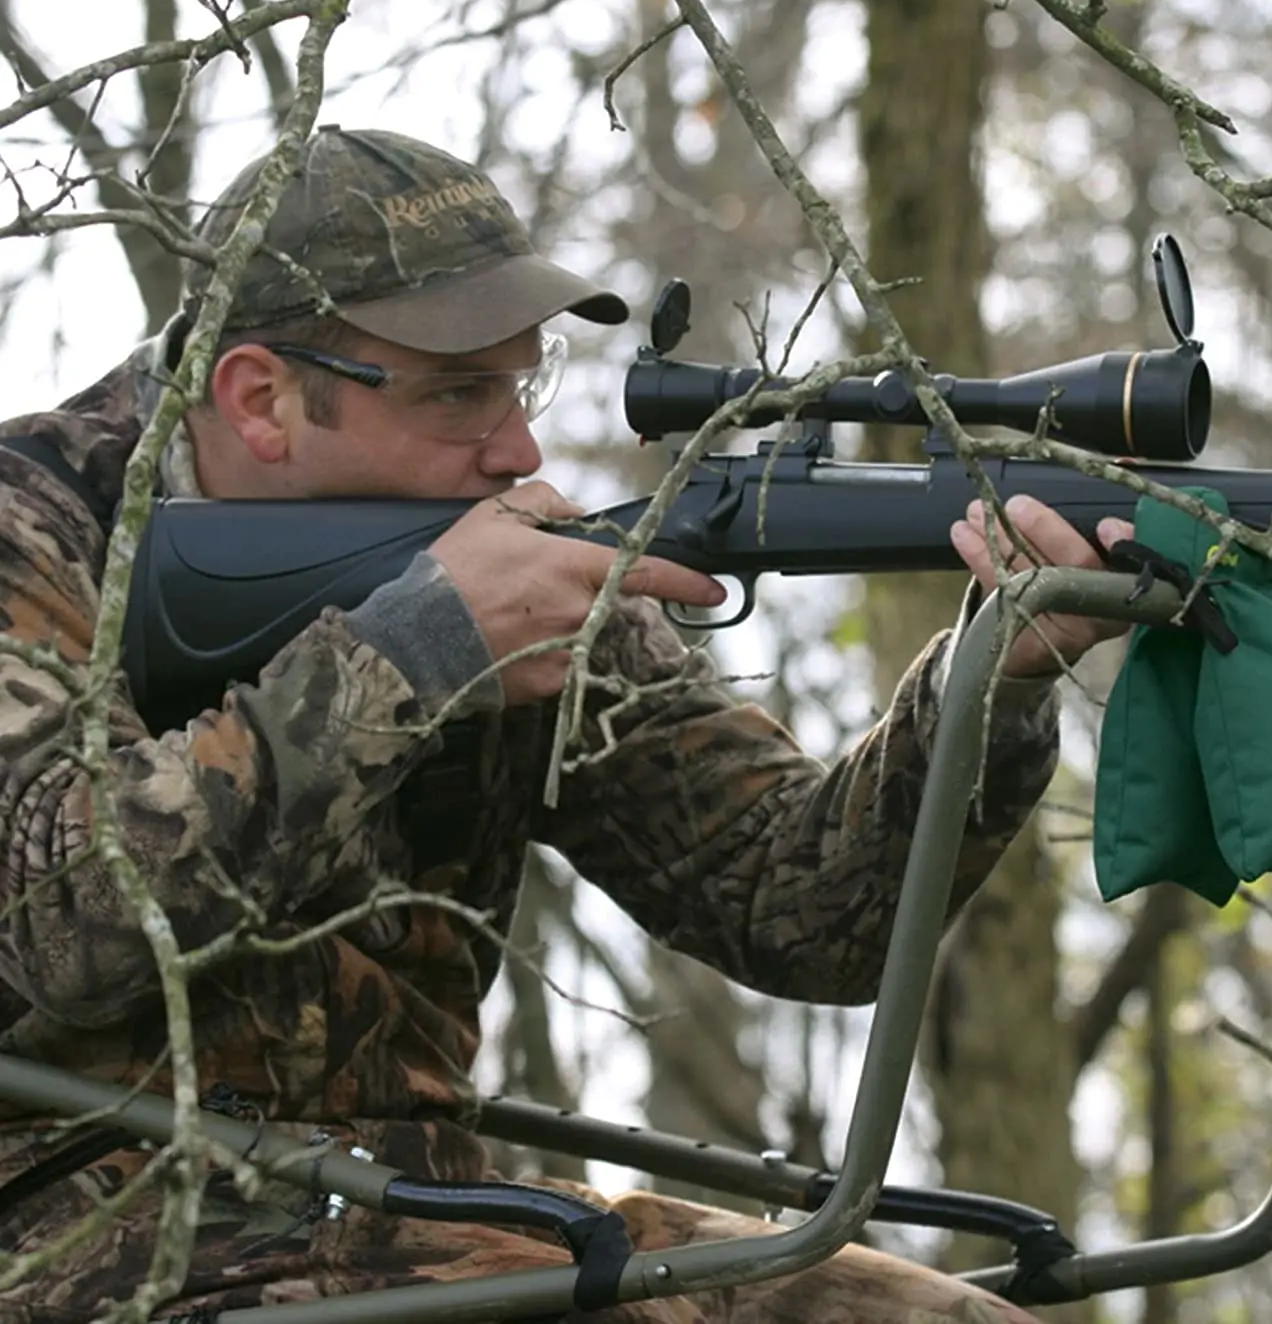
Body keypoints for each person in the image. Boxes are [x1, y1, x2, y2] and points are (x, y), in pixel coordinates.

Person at [0, 127, 1132, 1322]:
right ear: (261, 399)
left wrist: (985, 689)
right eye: (457, 395)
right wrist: (409, 659)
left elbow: (797, 904)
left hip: (413, 1205)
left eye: (520, 383)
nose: (518, 449)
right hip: (82, 1215)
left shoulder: (492, 550)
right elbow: (56, 923)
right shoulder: (36, 530)